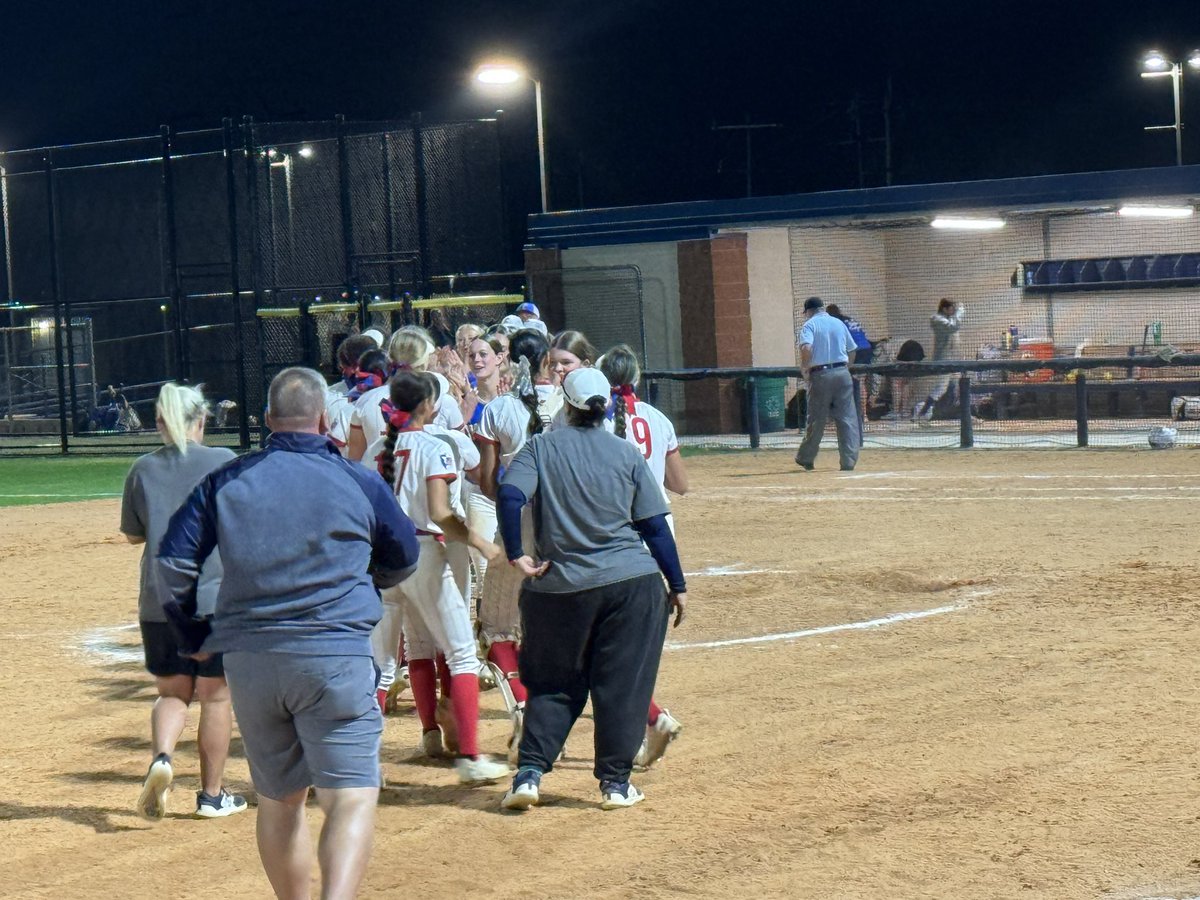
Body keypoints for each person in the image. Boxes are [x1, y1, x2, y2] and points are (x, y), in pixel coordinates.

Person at [157, 367, 420, 900]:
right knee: (349, 796)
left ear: (269, 420)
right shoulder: (357, 478)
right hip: (335, 653)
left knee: (279, 801)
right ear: (324, 418)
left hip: (254, 660)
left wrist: (190, 630)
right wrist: (369, 575)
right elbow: (404, 557)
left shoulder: (228, 479)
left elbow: (172, 560)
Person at [498, 367, 687, 812]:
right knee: (622, 683)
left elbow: (509, 497)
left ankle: (529, 775)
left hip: (556, 588)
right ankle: (615, 785)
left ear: (565, 405)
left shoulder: (540, 448)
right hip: (630, 584)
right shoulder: (625, 453)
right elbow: (655, 527)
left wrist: (515, 554)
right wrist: (676, 584)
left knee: (551, 684)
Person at [374, 371, 510, 783]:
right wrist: (482, 544)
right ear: (428, 406)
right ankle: (469, 756)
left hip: (379, 563)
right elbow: (440, 514)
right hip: (422, 556)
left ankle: (360, 763)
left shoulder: (380, 450)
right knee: (462, 653)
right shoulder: (435, 447)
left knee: (378, 668)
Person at [121, 383, 246, 821]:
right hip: (214, 600)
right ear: (202, 420)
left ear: (159, 422)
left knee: (173, 693)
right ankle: (212, 796)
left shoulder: (141, 469)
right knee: (215, 697)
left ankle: (162, 760)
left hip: (160, 601)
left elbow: (135, 533)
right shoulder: (225, 461)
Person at [597, 344, 688, 768]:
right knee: (638, 645)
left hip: (617, 538)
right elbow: (680, 484)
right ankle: (645, 723)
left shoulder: (593, 420)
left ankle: (641, 727)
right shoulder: (657, 418)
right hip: (659, 533)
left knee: (610, 646)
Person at [474, 330, 563, 762]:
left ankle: (527, 710)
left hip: (518, 523)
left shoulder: (498, 409)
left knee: (497, 626)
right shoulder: (571, 403)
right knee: (568, 627)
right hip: (571, 526)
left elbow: (489, 482)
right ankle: (647, 716)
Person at [795, 296, 860, 472]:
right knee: (847, 419)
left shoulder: (809, 325)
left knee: (817, 418)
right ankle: (848, 461)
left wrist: (805, 367)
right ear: (822, 308)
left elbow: (806, 347)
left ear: (808, 311)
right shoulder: (838, 323)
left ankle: (806, 458)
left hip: (821, 374)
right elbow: (852, 349)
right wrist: (847, 368)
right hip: (842, 373)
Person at [914, 298, 966, 422]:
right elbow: (953, 327)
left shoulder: (950, 319)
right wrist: (959, 312)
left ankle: (951, 412)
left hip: (954, 360)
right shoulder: (937, 319)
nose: (953, 311)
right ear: (944, 309)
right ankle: (923, 413)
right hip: (943, 360)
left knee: (956, 386)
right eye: (951, 309)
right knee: (941, 388)